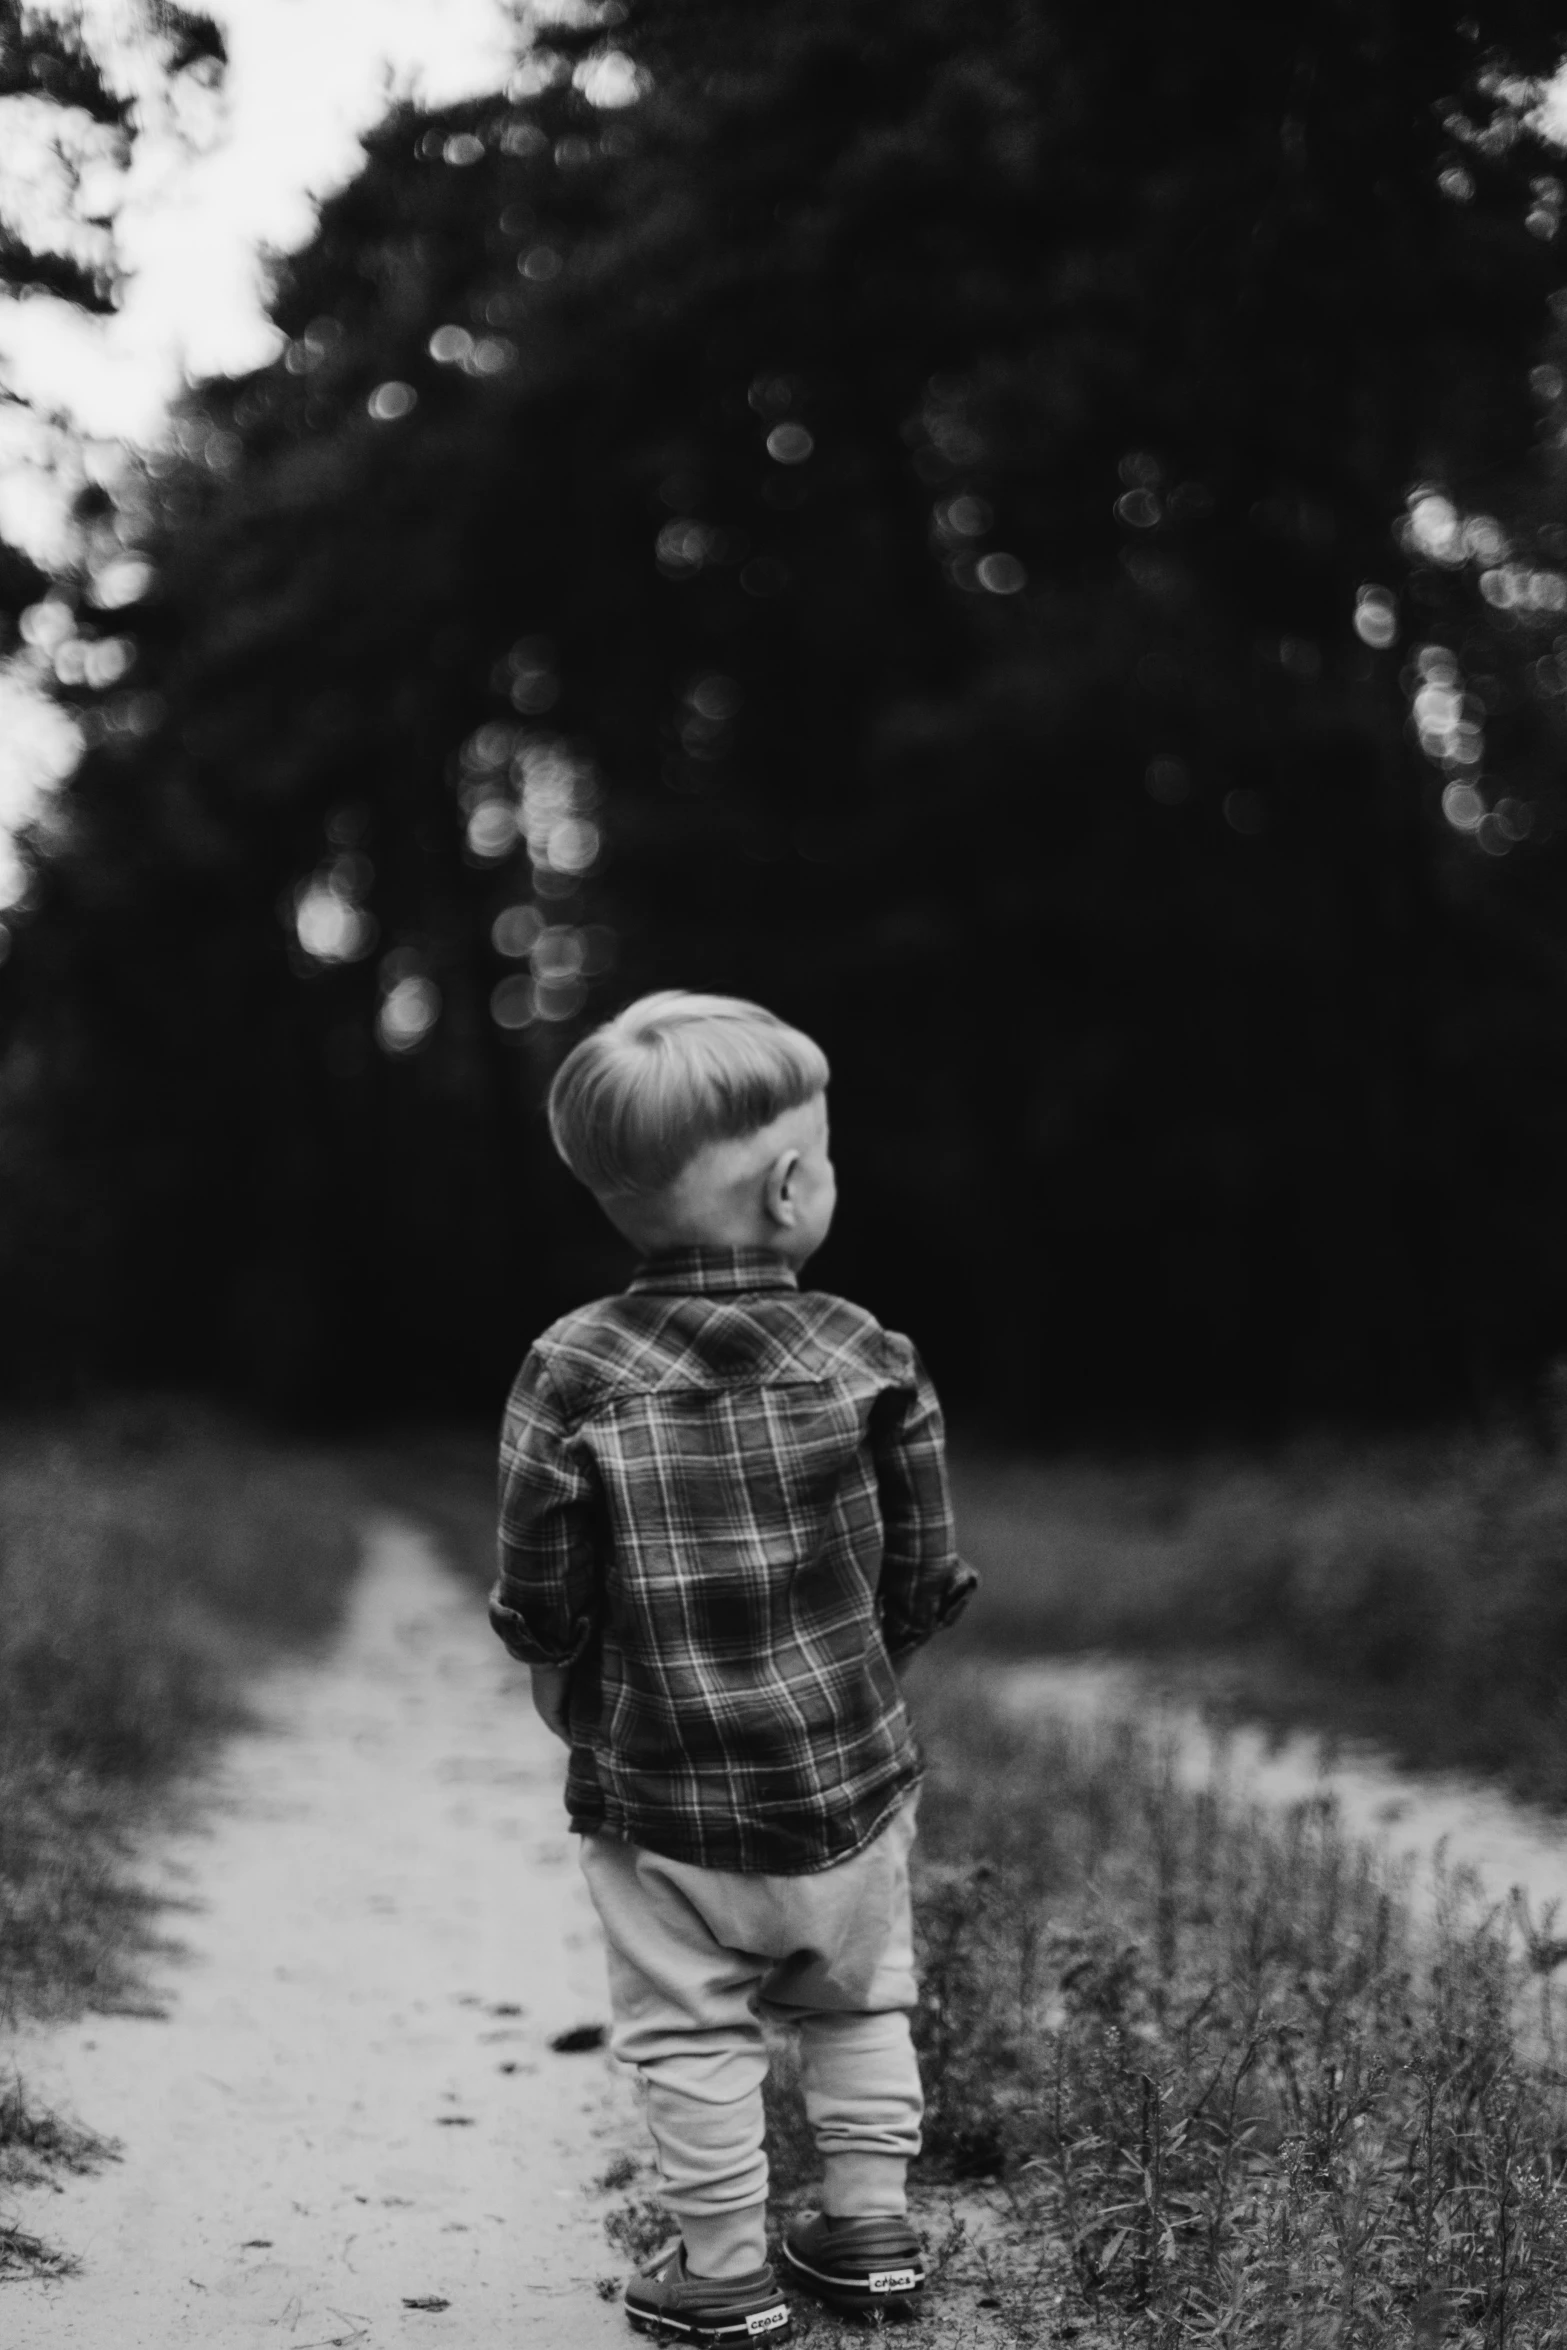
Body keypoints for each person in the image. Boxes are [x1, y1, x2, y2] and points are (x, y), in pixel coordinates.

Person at [489, 990, 975, 2344]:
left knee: (688, 2024)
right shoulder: (868, 1353)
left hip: (659, 1783)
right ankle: (868, 2229)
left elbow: (543, 1569)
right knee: (860, 1993)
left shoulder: (571, 1363)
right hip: (849, 1766)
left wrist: (552, 1668)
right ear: (790, 1183)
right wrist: (871, 1671)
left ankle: (721, 2269)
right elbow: (922, 1560)